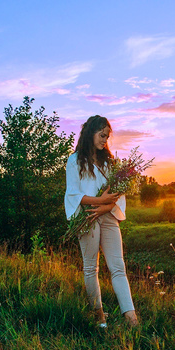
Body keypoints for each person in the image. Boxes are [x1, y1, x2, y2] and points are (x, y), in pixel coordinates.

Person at [64, 115, 139, 327]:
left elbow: (117, 193)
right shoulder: (75, 160)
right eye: (101, 135)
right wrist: (98, 202)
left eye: (107, 136)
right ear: (90, 133)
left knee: (118, 267)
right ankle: (99, 317)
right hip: (86, 216)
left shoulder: (109, 162)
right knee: (91, 268)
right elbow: (73, 194)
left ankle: (131, 318)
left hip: (108, 215)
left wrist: (105, 206)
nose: (104, 140)